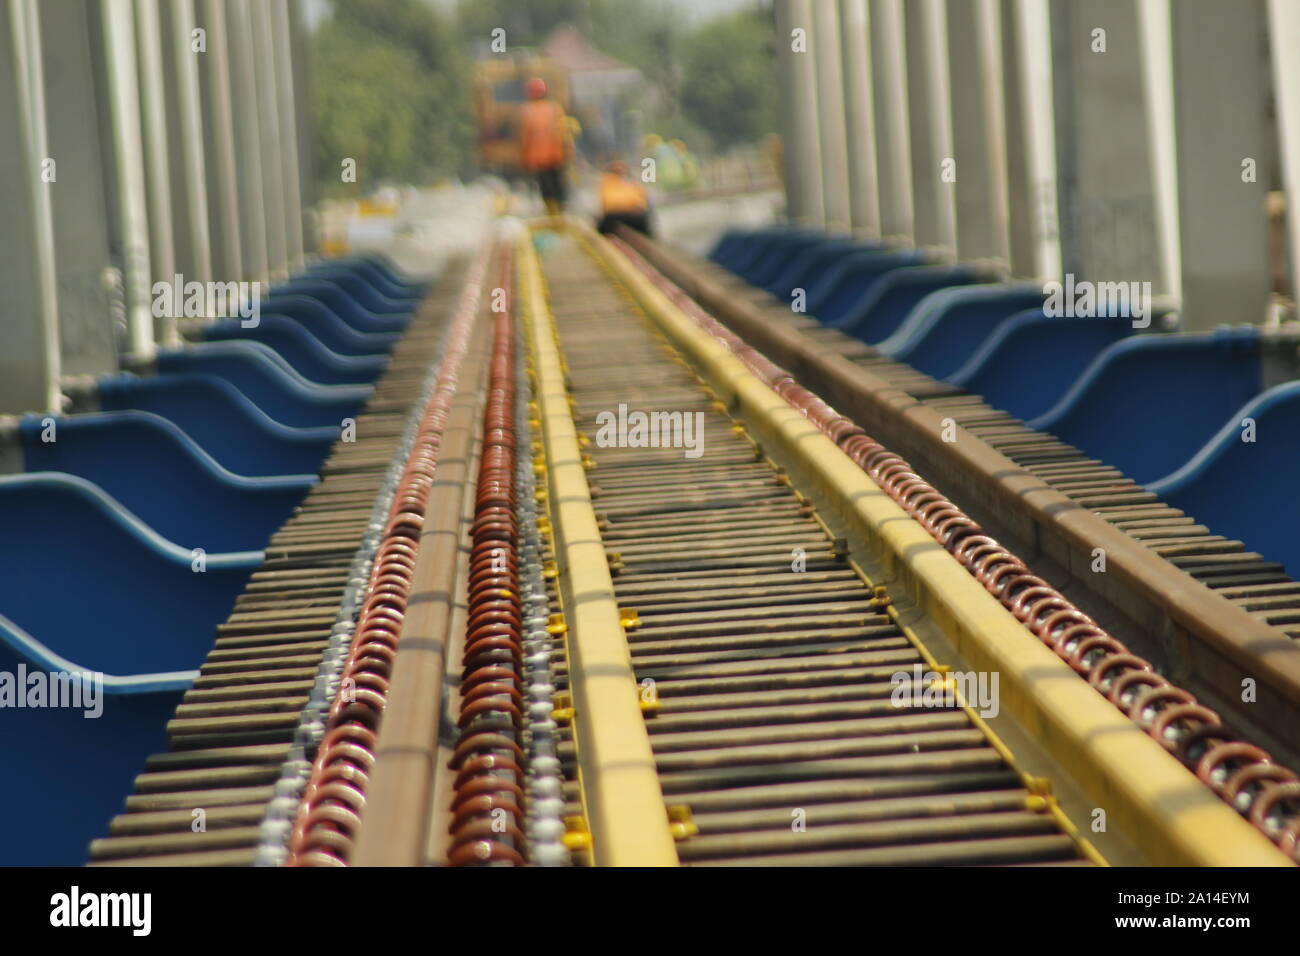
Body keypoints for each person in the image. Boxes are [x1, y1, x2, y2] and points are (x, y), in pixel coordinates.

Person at [518, 77, 570, 216]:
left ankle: (552, 212)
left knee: (546, 187)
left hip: (538, 158)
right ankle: (559, 211)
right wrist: (568, 152)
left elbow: (525, 137)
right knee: (558, 185)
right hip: (556, 155)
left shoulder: (527, 111)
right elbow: (564, 132)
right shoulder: (555, 108)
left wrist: (524, 158)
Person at [596, 160, 651, 236]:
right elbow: (608, 203)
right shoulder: (608, 182)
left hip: (628, 216)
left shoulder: (631, 184)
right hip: (616, 216)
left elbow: (641, 202)